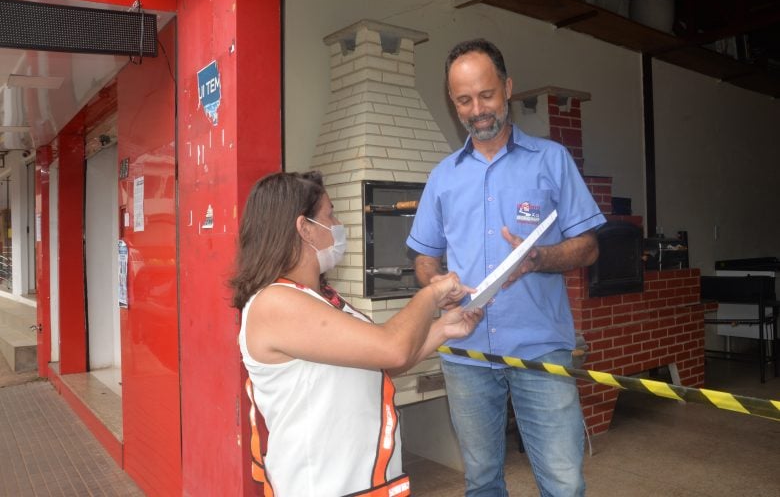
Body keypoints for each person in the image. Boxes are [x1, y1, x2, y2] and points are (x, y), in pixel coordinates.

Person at [406, 39, 606, 496]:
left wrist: (540, 258)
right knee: (481, 481)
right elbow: (423, 257)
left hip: (540, 349)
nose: (477, 109)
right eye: (464, 99)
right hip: (465, 351)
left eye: (487, 94)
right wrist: (438, 285)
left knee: (563, 480)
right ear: (452, 102)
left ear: (508, 88)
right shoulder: (443, 176)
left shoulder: (552, 160)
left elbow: (589, 247)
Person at [231, 171, 482, 497]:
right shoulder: (274, 303)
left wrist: (443, 328)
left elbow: (380, 364)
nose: (337, 223)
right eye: (329, 213)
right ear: (304, 228)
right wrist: (431, 294)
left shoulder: (320, 299)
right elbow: (392, 348)